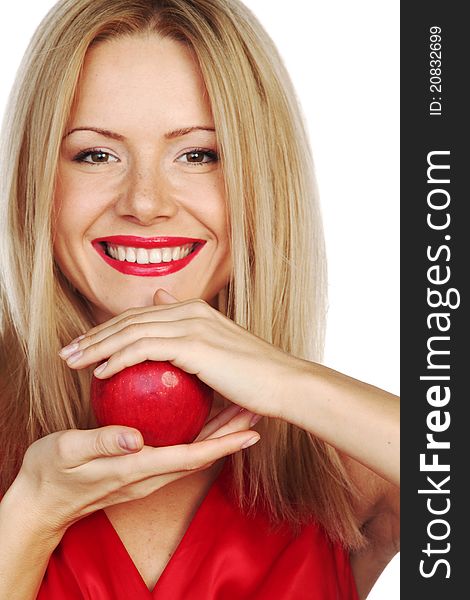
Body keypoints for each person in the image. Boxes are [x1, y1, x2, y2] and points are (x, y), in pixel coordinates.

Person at [0, 0, 399, 598]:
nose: (145, 202)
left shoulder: (344, 462)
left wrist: (291, 383)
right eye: (95, 154)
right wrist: (32, 513)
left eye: (199, 155)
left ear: (261, 179)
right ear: (36, 180)